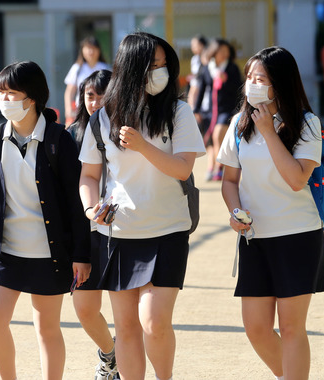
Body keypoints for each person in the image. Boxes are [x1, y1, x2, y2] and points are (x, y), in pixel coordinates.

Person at [79, 32, 206, 380]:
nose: (161, 73)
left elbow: (182, 167)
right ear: (132, 68)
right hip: (119, 231)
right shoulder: (102, 118)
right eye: (153, 66)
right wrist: (92, 210)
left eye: (165, 65)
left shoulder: (178, 111)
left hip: (169, 228)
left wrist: (141, 146)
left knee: (154, 321)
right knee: (127, 326)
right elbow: (89, 177)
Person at [0, 61, 91, 380]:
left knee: (46, 327)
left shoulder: (59, 139)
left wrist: (82, 255)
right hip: (5, 253)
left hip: (49, 254)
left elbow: (75, 202)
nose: (4, 100)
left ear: (32, 98)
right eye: (0, 93)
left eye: (11, 93)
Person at [217, 46, 324, 380]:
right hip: (255, 238)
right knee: (255, 328)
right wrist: (235, 210)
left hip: (296, 236)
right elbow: (229, 180)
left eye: (260, 78)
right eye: (249, 77)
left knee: (292, 328)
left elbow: (297, 179)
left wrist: (268, 130)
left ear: (279, 83)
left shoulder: (307, 124)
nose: (251, 84)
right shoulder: (238, 123)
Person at [67, 69, 119, 380]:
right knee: (84, 308)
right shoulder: (70, 135)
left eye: (102, 94)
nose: (95, 101)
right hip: (84, 236)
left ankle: (128, 363)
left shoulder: (126, 131)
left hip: (123, 232)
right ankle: (109, 355)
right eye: (89, 95)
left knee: (129, 313)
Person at [193, 38, 242, 181]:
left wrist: (226, 81)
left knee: (218, 135)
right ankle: (212, 168)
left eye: (226, 51)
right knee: (211, 142)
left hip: (227, 109)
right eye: (221, 51)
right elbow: (202, 89)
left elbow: (239, 88)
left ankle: (219, 167)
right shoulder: (207, 68)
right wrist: (196, 109)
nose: (224, 54)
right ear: (213, 52)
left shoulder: (232, 68)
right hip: (209, 110)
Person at [64, 36, 110, 125]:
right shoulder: (77, 68)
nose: (91, 52)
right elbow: (70, 91)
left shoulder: (105, 67)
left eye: (93, 48)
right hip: (80, 111)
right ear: (82, 50)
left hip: (102, 110)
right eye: (88, 48)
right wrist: (68, 109)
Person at [187, 34, 207, 108]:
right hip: (195, 84)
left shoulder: (207, 58)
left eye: (195, 45)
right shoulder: (194, 59)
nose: (193, 47)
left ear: (202, 45)